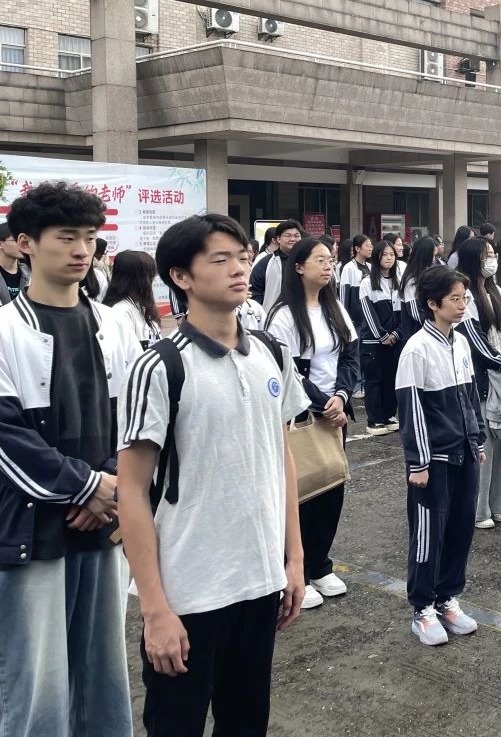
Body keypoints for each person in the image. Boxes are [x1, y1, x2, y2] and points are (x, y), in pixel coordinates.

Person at [116, 213, 309, 737]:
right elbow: (131, 491)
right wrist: (155, 609)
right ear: (181, 276)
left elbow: (282, 459)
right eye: (220, 260)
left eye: (243, 257)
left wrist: (293, 560)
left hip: (259, 584)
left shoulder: (271, 353)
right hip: (189, 594)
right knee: (175, 725)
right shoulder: (158, 367)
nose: (239, 269)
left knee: (247, 723)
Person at [0, 182, 139, 737]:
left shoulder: (114, 325)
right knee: (35, 682)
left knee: (104, 674)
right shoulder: (6, 329)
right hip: (34, 530)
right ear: (25, 242)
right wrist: (88, 487)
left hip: (103, 524)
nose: (82, 250)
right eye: (66, 237)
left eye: (90, 237)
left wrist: (112, 486)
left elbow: (139, 421)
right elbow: (7, 436)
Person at [266, 237, 359, 611]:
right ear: (299, 267)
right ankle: (295, 572)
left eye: (329, 260)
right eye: (319, 259)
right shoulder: (284, 316)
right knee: (300, 493)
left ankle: (320, 564)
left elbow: (350, 356)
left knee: (331, 488)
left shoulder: (335, 308)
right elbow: (287, 370)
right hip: (301, 417)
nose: (327, 265)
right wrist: (324, 404)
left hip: (335, 414)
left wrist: (342, 397)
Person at [396, 266, 486, 647]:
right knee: (428, 534)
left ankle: (448, 598)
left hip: (464, 454)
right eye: (455, 299)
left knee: (461, 528)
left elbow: (471, 397)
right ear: (433, 303)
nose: (462, 305)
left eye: (465, 298)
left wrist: (477, 440)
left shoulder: (461, 342)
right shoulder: (416, 349)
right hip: (434, 460)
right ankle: (423, 608)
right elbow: (411, 408)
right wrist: (418, 462)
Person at [456, 236, 501, 529]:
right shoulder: (466, 295)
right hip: (482, 378)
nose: (492, 259)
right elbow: (474, 340)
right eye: (486, 255)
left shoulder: (497, 291)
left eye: (493, 253)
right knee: (485, 445)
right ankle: (480, 510)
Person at [357, 240, 403, 434]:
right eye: (385, 254)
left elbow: (404, 313)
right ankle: (374, 420)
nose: (389, 258)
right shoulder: (367, 283)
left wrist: (397, 333)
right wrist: (382, 335)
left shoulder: (399, 283)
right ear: (377, 257)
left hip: (394, 341)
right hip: (373, 341)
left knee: (391, 379)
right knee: (374, 380)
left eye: (392, 254)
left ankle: (390, 415)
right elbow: (368, 313)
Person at [103, 249, 163, 349]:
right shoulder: (121, 311)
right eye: (149, 276)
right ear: (137, 279)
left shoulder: (141, 305)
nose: (152, 280)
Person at [396, 236, 440, 344]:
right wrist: (437, 323)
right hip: (415, 336)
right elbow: (415, 312)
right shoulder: (412, 281)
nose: (434, 260)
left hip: (431, 334)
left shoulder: (429, 275)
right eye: (432, 256)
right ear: (424, 255)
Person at [261, 219, 303, 312]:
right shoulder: (267, 262)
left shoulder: (307, 261)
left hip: (302, 313)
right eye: (288, 236)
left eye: (296, 236)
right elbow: (255, 290)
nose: (292, 239)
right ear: (278, 239)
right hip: (274, 314)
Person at [339, 234, 372, 319]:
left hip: (369, 315)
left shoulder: (370, 267)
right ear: (357, 248)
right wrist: (344, 318)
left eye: (371, 246)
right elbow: (344, 295)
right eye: (367, 246)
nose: (370, 249)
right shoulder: (349, 268)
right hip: (356, 318)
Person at [0, 220, 30, 304]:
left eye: (24, 240)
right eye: (15, 240)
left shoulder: (31, 273)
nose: (22, 245)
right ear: (1, 244)